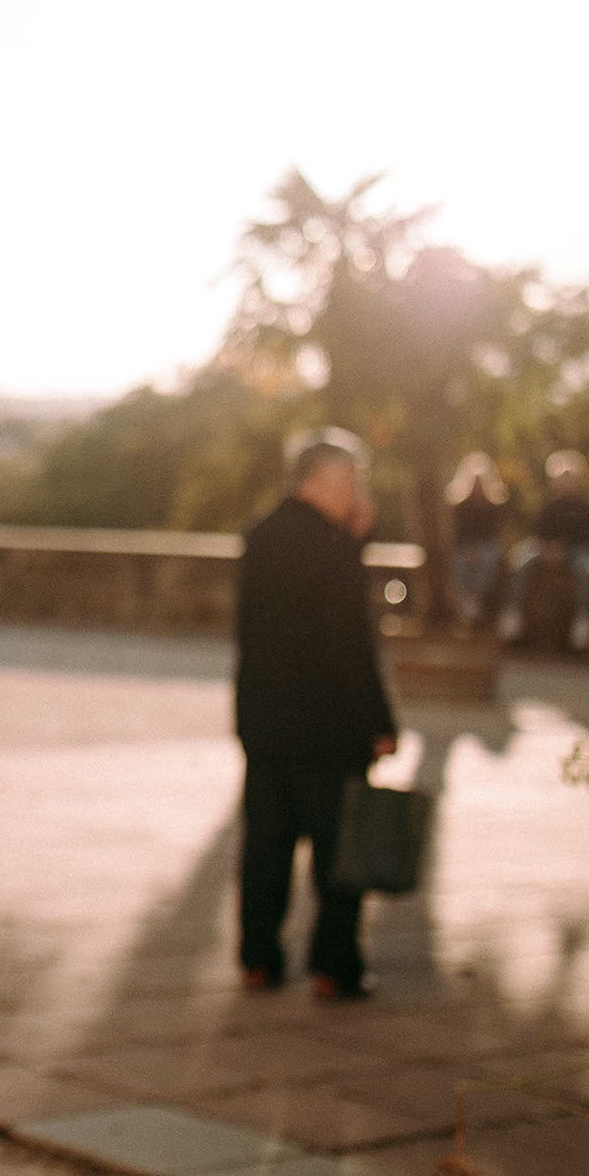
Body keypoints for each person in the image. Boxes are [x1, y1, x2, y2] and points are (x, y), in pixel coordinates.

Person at [233, 429, 398, 1001]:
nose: (358, 492)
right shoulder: (333, 547)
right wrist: (381, 722)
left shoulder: (260, 535)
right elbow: (350, 643)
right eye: (353, 480)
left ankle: (258, 959)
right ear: (325, 479)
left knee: (265, 847)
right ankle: (334, 966)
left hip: (264, 719)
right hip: (329, 726)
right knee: (338, 853)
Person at [498, 449, 589, 651]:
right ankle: (512, 613)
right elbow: (538, 530)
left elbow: (588, 535)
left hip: (575, 550)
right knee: (521, 559)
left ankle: (583, 619)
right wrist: (548, 547)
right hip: (546, 548)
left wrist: (563, 547)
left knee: (583, 567)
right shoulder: (550, 505)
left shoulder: (585, 507)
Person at [446, 451, 507, 626]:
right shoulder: (460, 506)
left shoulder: (492, 506)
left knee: (488, 559)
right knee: (460, 562)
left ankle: (478, 597)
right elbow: (458, 533)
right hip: (465, 548)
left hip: (487, 547)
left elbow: (494, 533)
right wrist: (471, 548)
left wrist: (480, 548)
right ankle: (466, 599)